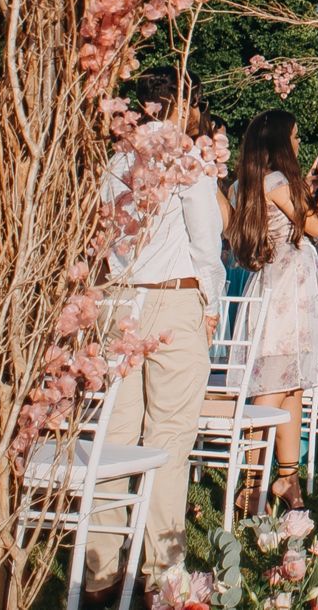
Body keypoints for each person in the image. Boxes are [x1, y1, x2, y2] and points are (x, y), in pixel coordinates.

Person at [85, 69, 226, 603]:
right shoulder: (186, 156)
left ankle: (99, 571)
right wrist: (210, 303)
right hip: (171, 297)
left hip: (119, 300)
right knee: (169, 437)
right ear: (181, 104)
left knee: (115, 436)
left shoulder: (115, 159)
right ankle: (161, 574)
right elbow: (205, 241)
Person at [226, 110, 318, 509]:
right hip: (288, 292)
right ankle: (252, 485)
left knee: (290, 384)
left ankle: (288, 479)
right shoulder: (276, 182)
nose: (299, 143)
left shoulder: (243, 185)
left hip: (274, 284)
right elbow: (317, 227)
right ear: (280, 143)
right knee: (272, 386)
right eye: (296, 136)